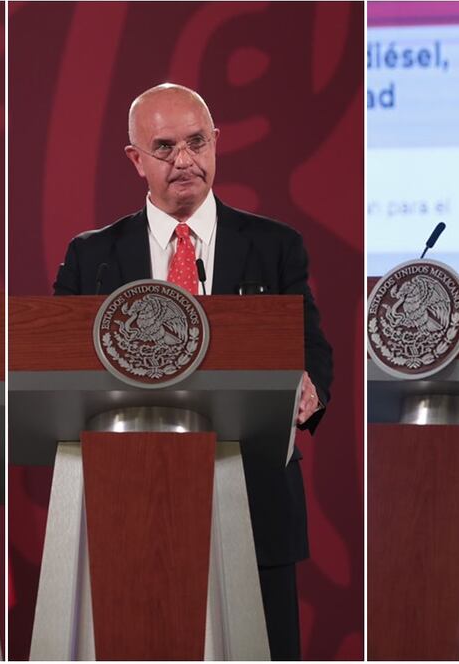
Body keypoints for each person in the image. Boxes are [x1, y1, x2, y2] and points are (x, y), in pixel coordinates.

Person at [53, 83, 333, 659]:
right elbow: (57, 364)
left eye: (196, 142)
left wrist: (310, 385)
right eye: (163, 147)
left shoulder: (275, 246)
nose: (184, 161)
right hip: (129, 496)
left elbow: (310, 346)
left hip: (252, 491)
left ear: (216, 145)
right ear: (135, 159)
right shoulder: (92, 258)